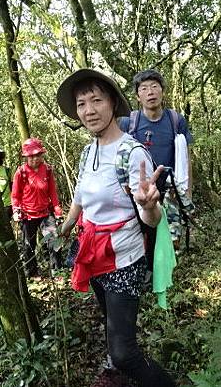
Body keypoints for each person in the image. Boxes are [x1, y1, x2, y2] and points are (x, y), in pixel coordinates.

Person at [56, 68, 176, 387]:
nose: (89, 110)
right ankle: (114, 370)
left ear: (112, 104)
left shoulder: (132, 153)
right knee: (110, 318)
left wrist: (150, 206)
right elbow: (81, 194)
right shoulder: (88, 151)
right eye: (81, 103)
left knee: (126, 352)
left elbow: (151, 218)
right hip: (93, 252)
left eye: (96, 100)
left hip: (123, 258)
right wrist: (67, 225)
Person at [119, 69, 194, 245]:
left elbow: (186, 157)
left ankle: (167, 270)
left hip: (170, 190)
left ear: (162, 91)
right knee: (142, 240)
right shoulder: (128, 122)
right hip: (139, 193)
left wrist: (188, 192)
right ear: (138, 97)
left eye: (154, 86)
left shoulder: (175, 120)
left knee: (171, 242)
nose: (150, 92)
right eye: (144, 88)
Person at [11, 137, 63, 278]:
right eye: (31, 156)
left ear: (41, 155)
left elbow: (53, 192)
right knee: (28, 246)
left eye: (37, 155)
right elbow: (15, 195)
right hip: (27, 215)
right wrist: (16, 210)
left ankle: (57, 271)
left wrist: (57, 210)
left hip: (46, 213)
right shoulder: (20, 173)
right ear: (26, 157)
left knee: (54, 242)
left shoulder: (47, 170)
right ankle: (32, 273)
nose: (34, 159)